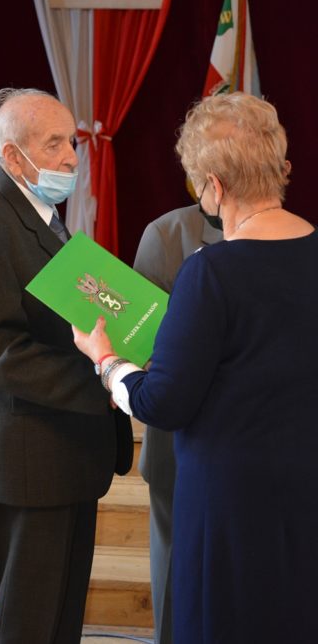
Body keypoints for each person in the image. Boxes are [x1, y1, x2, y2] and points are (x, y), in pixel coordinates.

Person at [73, 91, 318, 644]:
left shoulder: (212, 272)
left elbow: (163, 402)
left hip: (232, 501)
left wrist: (106, 361)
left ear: (215, 185)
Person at [0, 87, 133, 644]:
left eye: (71, 141)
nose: (71, 157)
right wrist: (99, 378)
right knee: (27, 623)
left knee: (60, 618)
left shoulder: (37, 210)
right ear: (12, 156)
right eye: (55, 144)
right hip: (33, 457)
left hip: (65, 449)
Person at [134, 205, 222, 644]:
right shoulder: (166, 236)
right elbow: (141, 344)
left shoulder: (288, 236)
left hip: (253, 447)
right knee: (175, 579)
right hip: (179, 443)